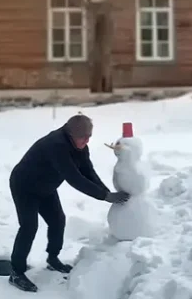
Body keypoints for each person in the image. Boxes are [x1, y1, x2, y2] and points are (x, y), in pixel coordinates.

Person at [8, 114, 130, 293]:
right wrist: (105, 196)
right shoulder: (56, 145)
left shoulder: (80, 145)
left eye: (89, 137)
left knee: (58, 220)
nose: (86, 141)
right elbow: (74, 178)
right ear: (70, 134)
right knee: (29, 227)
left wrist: (107, 193)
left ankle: (53, 258)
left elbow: (87, 171)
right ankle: (16, 272)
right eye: (82, 138)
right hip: (24, 185)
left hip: (46, 186)